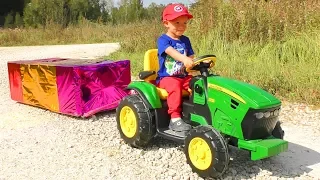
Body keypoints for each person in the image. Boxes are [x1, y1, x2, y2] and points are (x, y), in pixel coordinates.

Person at [156, 3, 195, 132]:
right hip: (167, 77)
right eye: (177, 23)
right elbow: (171, 52)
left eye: (184, 23)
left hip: (184, 76)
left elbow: (191, 56)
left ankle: (197, 113)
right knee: (174, 87)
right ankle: (175, 119)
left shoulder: (186, 40)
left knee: (199, 85)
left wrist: (197, 63)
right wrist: (184, 59)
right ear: (166, 23)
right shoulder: (163, 40)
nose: (181, 26)